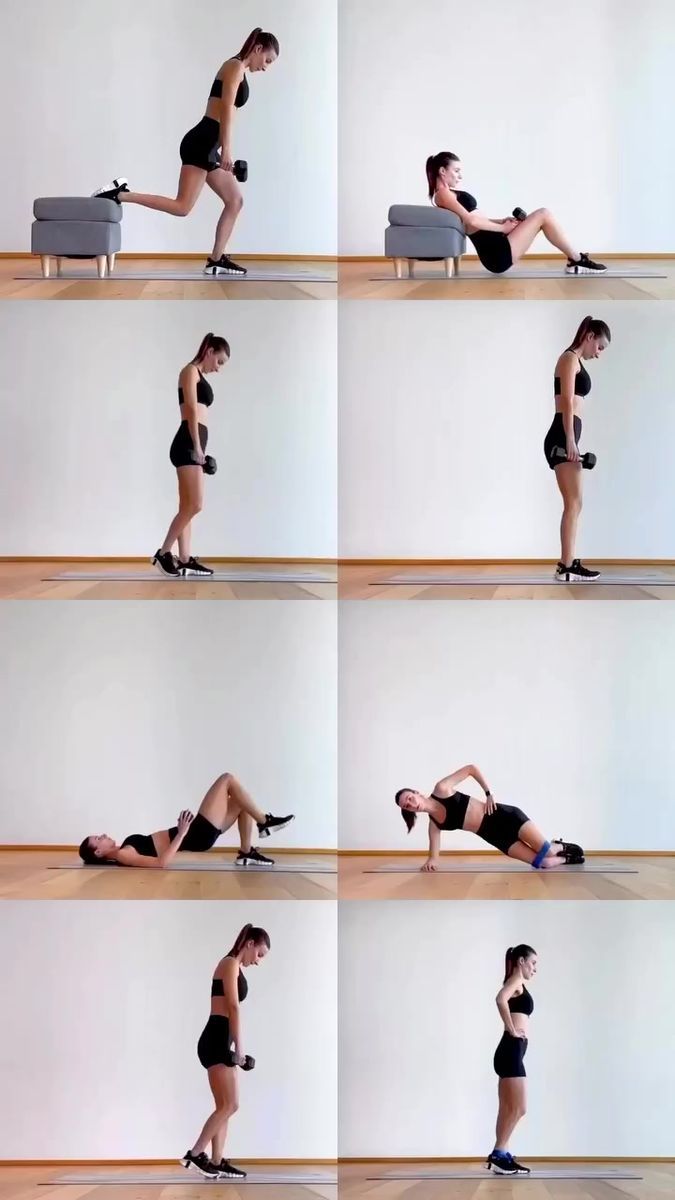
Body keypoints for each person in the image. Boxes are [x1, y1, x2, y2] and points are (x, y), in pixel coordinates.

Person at [93, 29, 280, 276]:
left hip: (210, 146)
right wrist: (227, 151)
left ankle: (216, 259)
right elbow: (225, 110)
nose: (265, 68)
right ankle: (120, 194)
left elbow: (228, 114)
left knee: (235, 200)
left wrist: (222, 152)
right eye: (267, 60)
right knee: (182, 207)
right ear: (257, 49)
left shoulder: (239, 71)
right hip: (202, 142)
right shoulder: (234, 67)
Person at [182, 924, 270, 1179]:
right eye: (260, 954)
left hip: (220, 1040)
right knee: (230, 1104)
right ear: (250, 943)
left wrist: (235, 1048)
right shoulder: (230, 963)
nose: (259, 961)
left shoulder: (234, 966)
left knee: (225, 1105)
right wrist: (240, 1050)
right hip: (215, 1039)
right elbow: (233, 1006)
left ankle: (217, 1160)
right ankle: (196, 1154)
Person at [426, 152, 607, 276]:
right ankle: (576, 260)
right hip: (496, 254)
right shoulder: (442, 194)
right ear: (442, 171)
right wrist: (502, 227)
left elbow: (475, 221)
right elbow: (470, 219)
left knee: (542, 216)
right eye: (456, 171)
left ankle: (575, 260)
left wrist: (501, 222)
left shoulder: (447, 194)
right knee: (543, 214)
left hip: (497, 245)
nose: (460, 176)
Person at [78, 772, 293, 868]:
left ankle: (246, 853)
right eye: (99, 838)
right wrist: (181, 833)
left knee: (239, 801)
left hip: (197, 833)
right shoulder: (124, 855)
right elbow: (161, 863)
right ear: (98, 851)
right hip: (196, 833)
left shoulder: (124, 849)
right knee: (227, 779)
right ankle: (265, 821)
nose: (104, 835)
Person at [395, 764, 584, 870]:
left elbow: (470, 769)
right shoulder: (434, 825)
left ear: (416, 792)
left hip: (505, 817)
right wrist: (430, 863)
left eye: (410, 798)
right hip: (496, 837)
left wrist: (488, 793)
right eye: (407, 805)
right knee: (543, 863)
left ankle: (559, 846)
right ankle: (566, 859)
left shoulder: (442, 789)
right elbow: (434, 857)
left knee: (548, 851)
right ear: (409, 810)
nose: (411, 804)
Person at [153, 333, 230, 579]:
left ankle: (184, 558)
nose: (217, 369)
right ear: (209, 351)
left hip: (194, 444)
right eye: (218, 362)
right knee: (195, 505)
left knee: (187, 506)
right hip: (187, 442)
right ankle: (163, 553)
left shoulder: (198, 375)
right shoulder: (189, 372)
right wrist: (197, 447)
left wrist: (202, 450)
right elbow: (190, 411)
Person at [544, 316, 611, 582]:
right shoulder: (569, 359)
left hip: (569, 436)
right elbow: (569, 404)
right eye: (600, 347)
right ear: (590, 336)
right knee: (573, 502)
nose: (599, 353)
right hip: (563, 436)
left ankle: (567, 563)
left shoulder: (575, 360)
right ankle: (566, 566)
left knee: (575, 502)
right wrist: (571, 442)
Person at [486, 944, 538, 1175]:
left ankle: (503, 1155)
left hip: (512, 1051)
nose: (535, 968)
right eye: (533, 963)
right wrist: (512, 1030)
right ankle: (498, 1153)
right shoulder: (515, 982)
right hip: (511, 1050)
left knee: (507, 1108)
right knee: (519, 1107)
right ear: (520, 961)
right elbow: (500, 999)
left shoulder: (518, 983)